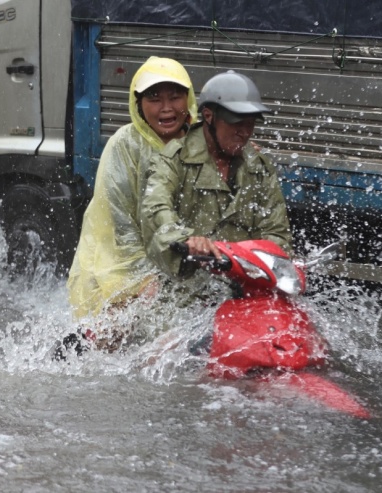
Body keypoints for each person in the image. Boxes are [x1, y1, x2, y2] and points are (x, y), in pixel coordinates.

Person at [67, 56, 197, 320]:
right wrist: (142, 278)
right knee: (114, 337)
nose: (166, 108)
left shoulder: (202, 142)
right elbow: (120, 221)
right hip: (118, 261)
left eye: (175, 97)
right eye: (154, 99)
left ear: (189, 99)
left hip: (181, 259)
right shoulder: (124, 145)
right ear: (138, 104)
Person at [141, 70, 294, 277]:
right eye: (235, 123)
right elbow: (156, 209)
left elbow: (276, 233)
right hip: (185, 286)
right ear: (208, 116)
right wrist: (187, 239)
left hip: (246, 283)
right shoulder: (173, 160)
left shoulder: (259, 167)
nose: (244, 132)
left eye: (250, 124)